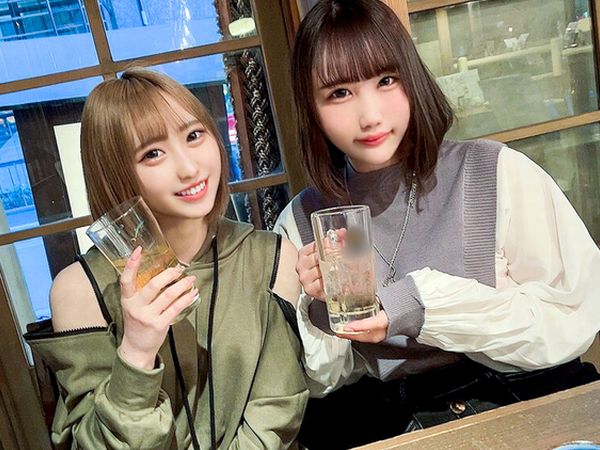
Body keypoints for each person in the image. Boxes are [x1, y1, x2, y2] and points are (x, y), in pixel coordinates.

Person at [273, 0, 600, 448]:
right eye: (339, 93)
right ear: (311, 108)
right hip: (393, 425)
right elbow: (323, 382)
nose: (370, 116)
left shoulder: (492, 172)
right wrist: (319, 313)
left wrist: (418, 306)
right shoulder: (303, 220)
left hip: (521, 402)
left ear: (412, 77)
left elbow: (570, 319)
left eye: (386, 80)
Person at [25, 67, 308, 449]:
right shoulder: (80, 290)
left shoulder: (270, 257)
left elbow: (277, 408)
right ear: (115, 174)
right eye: (153, 153)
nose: (189, 168)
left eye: (194, 135)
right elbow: (91, 443)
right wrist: (136, 351)